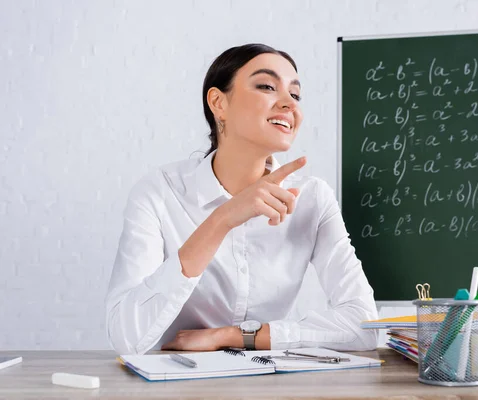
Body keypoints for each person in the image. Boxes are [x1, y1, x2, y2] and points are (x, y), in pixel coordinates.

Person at [105, 43, 378, 355]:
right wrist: (222, 219)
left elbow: (364, 326)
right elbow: (125, 338)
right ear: (218, 102)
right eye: (266, 86)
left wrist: (235, 336)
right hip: (175, 381)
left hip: (269, 381)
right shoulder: (159, 192)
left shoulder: (312, 197)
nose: (290, 105)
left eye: (296, 94)